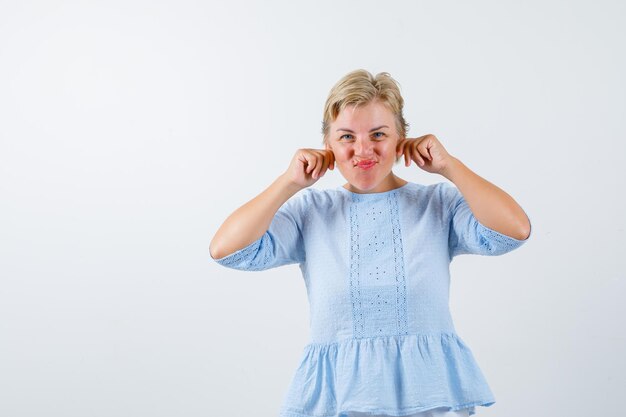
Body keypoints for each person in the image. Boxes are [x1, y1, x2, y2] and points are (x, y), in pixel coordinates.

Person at [209, 69, 532, 417]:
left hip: (426, 399)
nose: (363, 150)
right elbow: (227, 250)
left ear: (401, 139)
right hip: (339, 403)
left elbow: (513, 230)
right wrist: (288, 183)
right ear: (327, 145)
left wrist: (450, 167)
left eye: (378, 134)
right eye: (346, 136)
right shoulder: (312, 212)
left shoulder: (437, 206)